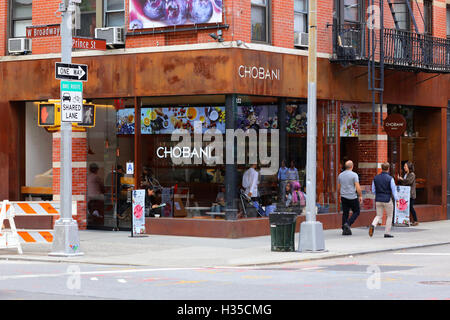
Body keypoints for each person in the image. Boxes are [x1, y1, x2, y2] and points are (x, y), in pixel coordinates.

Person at [369, 162, 399, 238]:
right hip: (387, 199)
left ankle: (373, 224)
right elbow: (394, 190)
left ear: (381, 168)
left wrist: (378, 194)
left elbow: (373, 190)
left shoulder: (375, 178)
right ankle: (387, 233)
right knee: (389, 216)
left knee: (378, 215)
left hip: (378, 199)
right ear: (388, 169)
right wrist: (397, 200)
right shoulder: (390, 179)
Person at [337, 160, 362, 236]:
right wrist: (360, 195)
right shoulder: (354, 175)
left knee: (345, 213)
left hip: (344, 196)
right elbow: (357, 187)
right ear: (352, 166)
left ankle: (344, 229)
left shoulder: (340, 175)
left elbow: (338, 187)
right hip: (352, 196)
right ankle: (348, 223)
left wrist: (339, 195)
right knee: (357, 211)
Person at [397, 161, 418, 226]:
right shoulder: (405, 174)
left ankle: (415, 220)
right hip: (405, 194)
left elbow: (407, 182)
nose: (404, 167)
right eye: (404, 166)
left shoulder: (412, 174)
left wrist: (401, 179)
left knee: (410, 207)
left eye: (405, 166)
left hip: (411, 194)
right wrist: (400, 180)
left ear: (409, 167)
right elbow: (403, 183)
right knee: (406, 207)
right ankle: (406, 220)